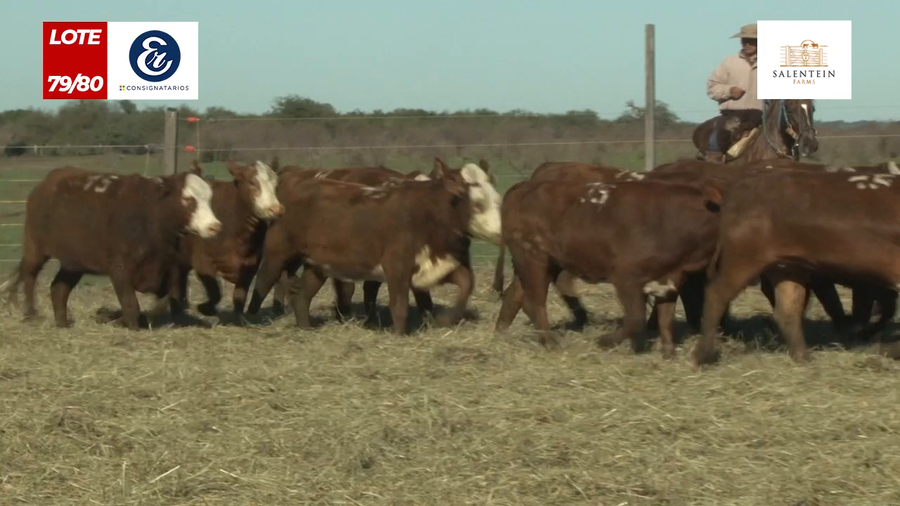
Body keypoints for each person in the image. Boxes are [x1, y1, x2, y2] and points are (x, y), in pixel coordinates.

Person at [705, 23, 763, 163]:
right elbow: (712, 87)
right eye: (744, 40)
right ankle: (714, 167)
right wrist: (728, 91)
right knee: (716, 139)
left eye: (752, 40)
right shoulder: (729, 62)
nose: (747, 44)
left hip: (763, 116)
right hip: (732, 114)